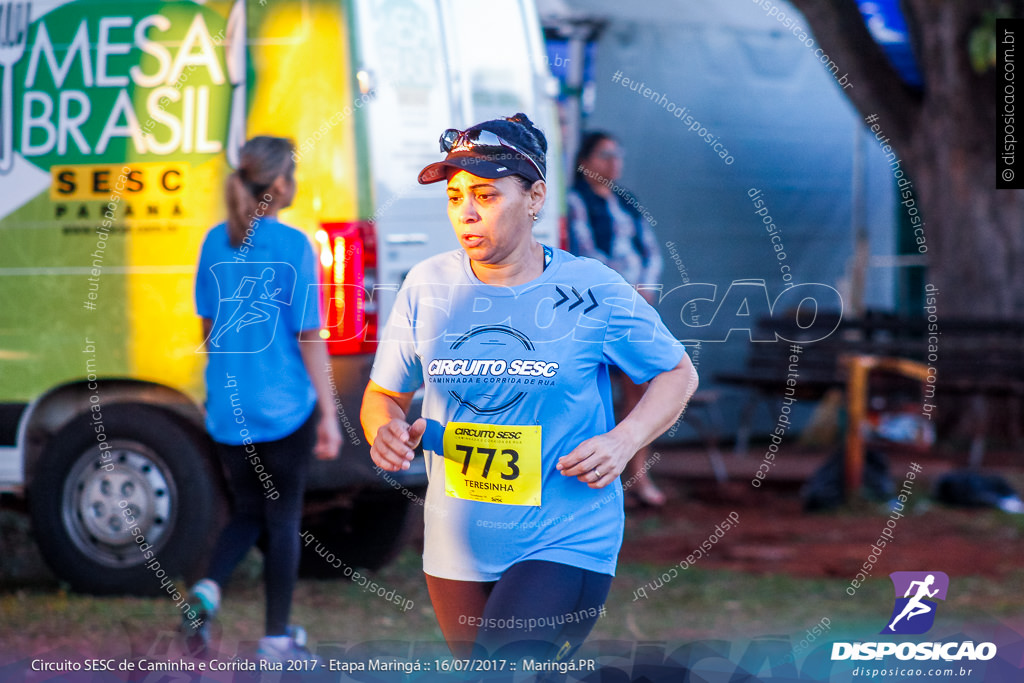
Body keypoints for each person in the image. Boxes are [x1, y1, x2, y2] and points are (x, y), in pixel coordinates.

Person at [361, 114, 698, 662]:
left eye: (486, 195)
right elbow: (384, 396)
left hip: (565, 536)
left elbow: (676, 373)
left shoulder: (591, 289)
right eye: (454, 196)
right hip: (456, 542)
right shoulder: (428, 284)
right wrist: (386, 431)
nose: (466, 212)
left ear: (535, 197)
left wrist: (623, 440)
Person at [185, 136, 341, 662]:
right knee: (282, 519)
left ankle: (205, 593)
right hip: (283, 410)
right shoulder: (293, 246)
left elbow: (209, 329)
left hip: (228, 411)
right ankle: (276, 640)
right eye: (292, 172)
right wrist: (329, 416)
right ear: (278, 184)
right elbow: (309, 337)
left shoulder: (213, 242)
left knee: (248, 511)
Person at [568, 131, 669, 507]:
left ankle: (638, 477)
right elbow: (585, 251)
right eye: (604, 155)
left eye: (617, 155)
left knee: (641, 391)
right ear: (585, 160)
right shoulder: (574, 201)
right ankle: (591, 476)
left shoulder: (626, 201)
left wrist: (647, 287)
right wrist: (623, 289)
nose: (613, 163)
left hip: (636, 307)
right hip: (595, 307)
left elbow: (651, 250)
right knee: (589, 391)